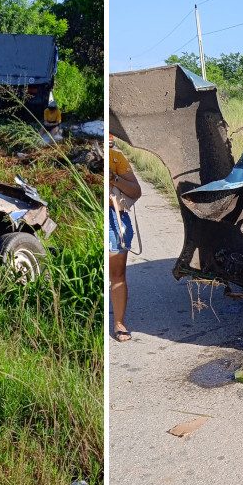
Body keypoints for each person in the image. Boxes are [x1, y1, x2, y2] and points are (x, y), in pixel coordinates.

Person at [108, 134, 141, 342]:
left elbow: (136, 191)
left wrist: (113, 179)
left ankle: (119, 322)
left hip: (114, 219)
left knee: (117, 275)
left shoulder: (115, 158)